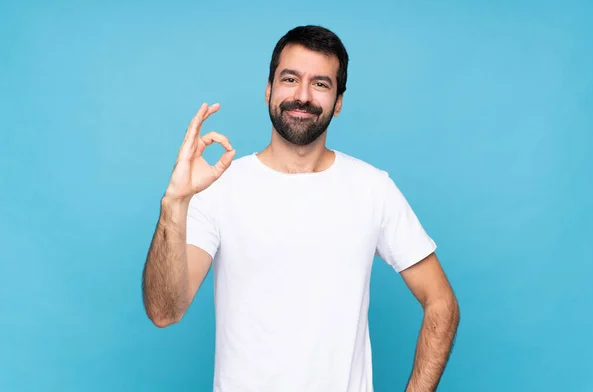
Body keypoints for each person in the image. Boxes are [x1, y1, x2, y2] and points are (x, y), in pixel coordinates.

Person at [142, 25, 460, 392]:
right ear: (268, 90)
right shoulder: (220, 187)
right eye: (290, 79)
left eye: (321, 84)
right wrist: (175, 201)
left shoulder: (373, 188)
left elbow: (441, 302)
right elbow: (165, 311)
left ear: (338, 101)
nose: (303, 95)